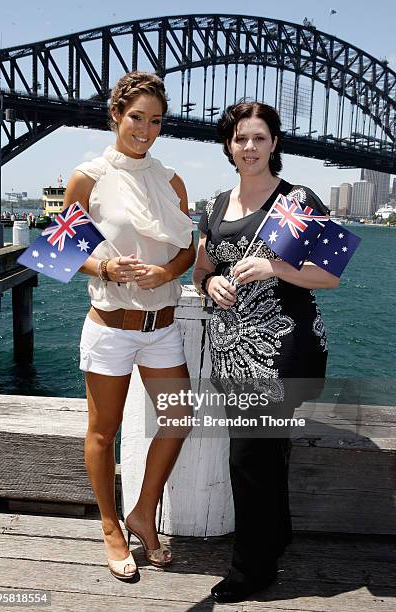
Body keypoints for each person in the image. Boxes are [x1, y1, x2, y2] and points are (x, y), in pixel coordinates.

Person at [193, 101, 339, 603]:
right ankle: (275, 539)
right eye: (240, 139)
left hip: (283, 350)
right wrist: (210, 281)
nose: (249, 148)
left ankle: (251, 570)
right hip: (233, 351)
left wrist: (276, 268)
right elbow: (200, 268)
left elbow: (330, 276)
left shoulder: (297, 199)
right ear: (228, 146)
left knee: (247, 457)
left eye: (259, 138)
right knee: (267, 452)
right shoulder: (216, 205)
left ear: (275, 143)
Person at [64, 71, 195, 581]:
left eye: (155, 120)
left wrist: (166, 272)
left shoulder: (172, 181)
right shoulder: (88, 177)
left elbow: (188, 246)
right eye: (136, 117)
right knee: (104, 431)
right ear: (116, 115)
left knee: (180, 418)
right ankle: (111, 526)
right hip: (111, 327)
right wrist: (103, 267)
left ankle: (143, 511)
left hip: (161, 325)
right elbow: (59, 251)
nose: (145, 129)